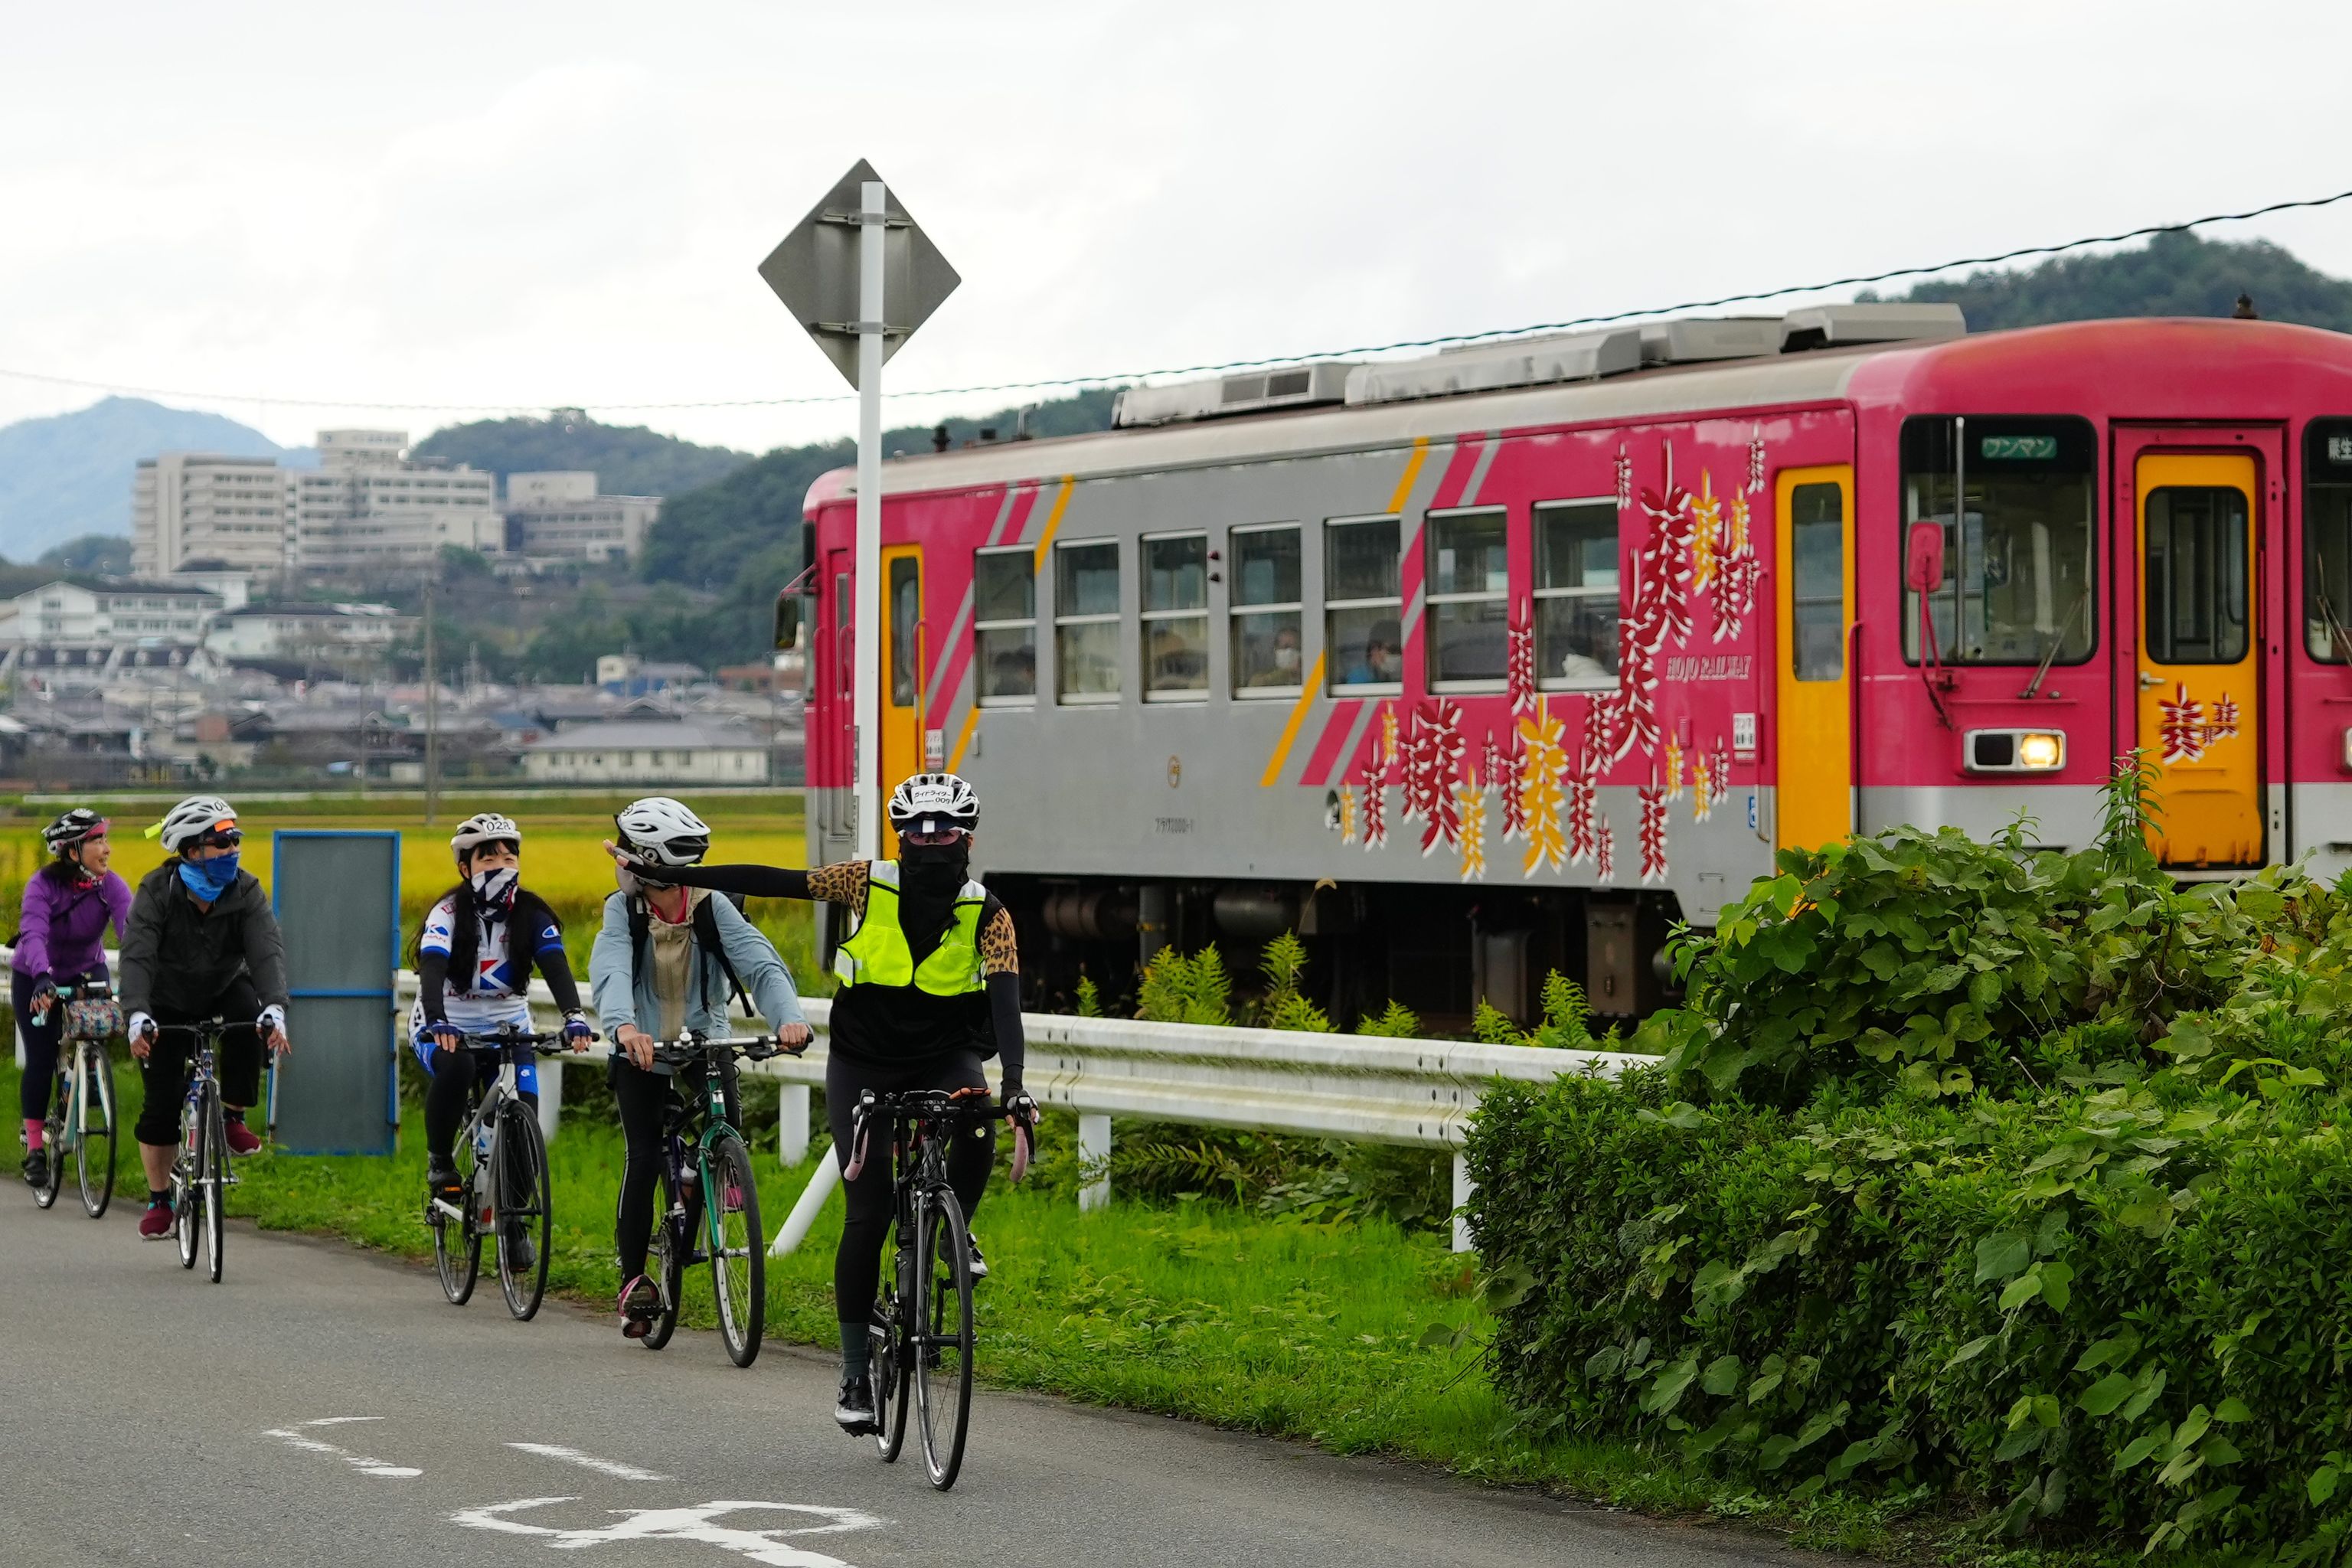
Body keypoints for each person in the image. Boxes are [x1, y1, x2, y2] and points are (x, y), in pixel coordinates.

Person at [606, 770, 1035, 1436]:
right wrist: (673, 869)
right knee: (867, 1216)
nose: (928, 841)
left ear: (967, 839)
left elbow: (1006, 1003)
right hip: (863, 1059)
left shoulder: (991, 913)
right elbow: (780, 879)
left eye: (943, 830)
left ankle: (955, 1232)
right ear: (899, 836)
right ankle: (856, 1373)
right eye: (915, 830)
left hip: (946, 1051)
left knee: (980, 1124)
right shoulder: (868, 881)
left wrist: (1014, 1081)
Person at [588, 797, 809, 1340]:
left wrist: (790, 1019)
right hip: (639, 1044)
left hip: (704, 1037)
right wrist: (623, 1027)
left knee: (725, 1127)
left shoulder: (710, 903)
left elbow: (759, 960)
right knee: (642, 1159)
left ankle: (703, 1177)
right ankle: (634, 1279)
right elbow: (611, 966)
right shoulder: (625, 910)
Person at [412, 812, 594, 1269]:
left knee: (524, 1116)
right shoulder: (448, 914)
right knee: (459, 1068)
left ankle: (515, 1222)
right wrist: (438, 1022)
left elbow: (555, 966)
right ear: (465, 867)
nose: (500, 862)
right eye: (487, 855)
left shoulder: (532, 914)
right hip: (447, 1020)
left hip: (509, 1025)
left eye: (509, 854)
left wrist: (574, 1017)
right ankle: (440, 1162)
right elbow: (432, 969)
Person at [119, 795, 289, 1240]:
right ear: (191, 850)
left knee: (249, 1015)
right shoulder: (156, 891)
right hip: (166, 1000)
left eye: (236, 841)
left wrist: (276, 1007)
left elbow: (266, 951)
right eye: (221, 843)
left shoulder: (246, 890)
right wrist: (136, 1014)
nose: (233, 851)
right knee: (161, 1100)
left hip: (222, 987)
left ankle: (232, 1116)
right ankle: (159, 1199)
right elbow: (136, 957)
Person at [13, 808, 132, 1188]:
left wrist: (142, 977)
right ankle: (34, 1148)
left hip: (87, 970)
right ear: (72, 851)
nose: (106, 849)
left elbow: (130, 932)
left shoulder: (110, 886)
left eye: (105, 839)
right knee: (42, 1055)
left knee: (95, 1030)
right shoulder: (42, 884)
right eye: (97, 841)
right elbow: (32, 932)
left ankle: (87, 1076)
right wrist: (43, 978)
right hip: (36, 973)